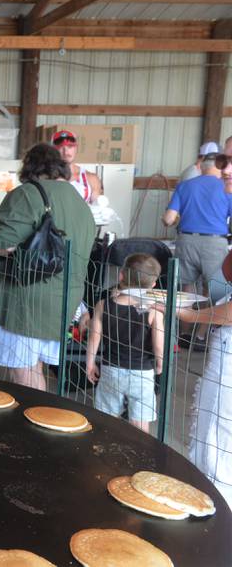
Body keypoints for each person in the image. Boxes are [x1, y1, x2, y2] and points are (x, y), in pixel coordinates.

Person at [0, 143, 94, 390]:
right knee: (34, 367)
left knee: (23, 372)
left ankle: (35, 421)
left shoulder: (28, 194)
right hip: (63, 299)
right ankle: (39, 417)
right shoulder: (79, 201)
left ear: (29, 168)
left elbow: (4, 243)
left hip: (25, 301)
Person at [161, 249, 232, 509]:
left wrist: (191, 316)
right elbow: (226, 269)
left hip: (228, 379)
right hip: (220, 371)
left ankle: (220, 514)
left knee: (220, 445)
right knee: (209, 437)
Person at [85, 254, 164, 434]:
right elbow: (158, 344)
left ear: (121, 276)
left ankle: (104, 449)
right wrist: (160, 363)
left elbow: (94, 338)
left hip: (112, 369)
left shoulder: (103, 305)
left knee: (106, 415)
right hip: (142, 373)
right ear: (153, 285)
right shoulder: (154, 309)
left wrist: (90, 363)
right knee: (141, 420)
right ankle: (140, 453)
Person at [162, 152, 232, 351]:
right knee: (217, 291)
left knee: (187, 289)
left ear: (200, 167)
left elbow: (168, 219)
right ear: (219, 168)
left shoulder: (185, 186)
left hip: (186, 240)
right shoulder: (227, 188)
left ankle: (184, 334)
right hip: (215, 243)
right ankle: (200, 337)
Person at [51, 130, 103, 203]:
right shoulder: (47, 177)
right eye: (61, 147)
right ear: (53, 151)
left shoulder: (91, 179)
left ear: (76, 148)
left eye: (70, 146)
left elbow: (98, 209)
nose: (65, 152)